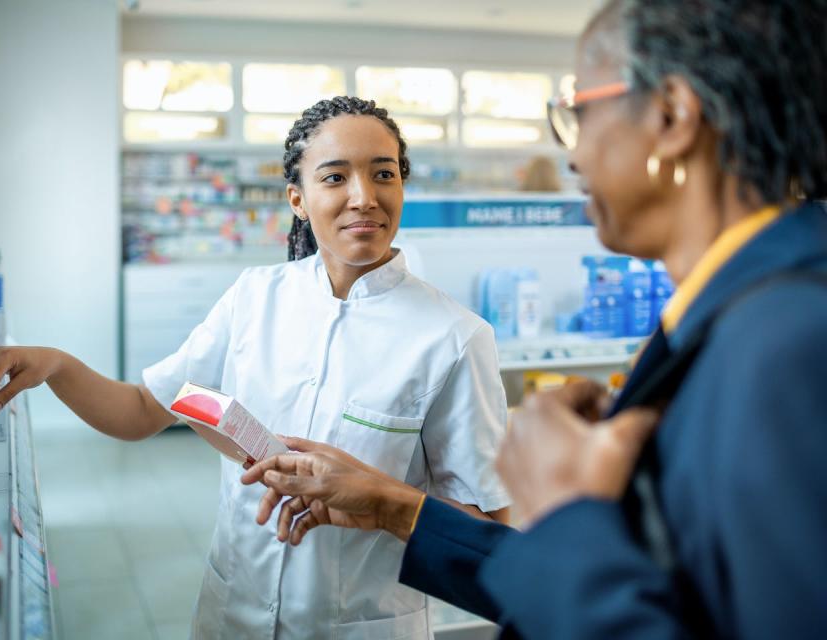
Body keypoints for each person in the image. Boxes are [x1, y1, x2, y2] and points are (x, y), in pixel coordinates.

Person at [243, 1, 827, 637]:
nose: (571, 156)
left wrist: (569, 513)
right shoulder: (729, 315)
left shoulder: (790, 343)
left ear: (671, 115)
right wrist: (394, 506)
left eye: (578, 113)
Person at [0, 96, 512, 638]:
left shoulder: (455, 338)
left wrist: (375, 498)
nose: (363, 197)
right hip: (233, 615)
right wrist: (57, 365)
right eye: (335, 177)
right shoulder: (255, 296)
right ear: (297, 198)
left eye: (383, 174)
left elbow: (485, 542)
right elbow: (142, 410)